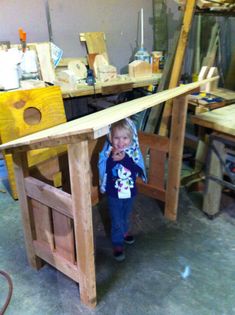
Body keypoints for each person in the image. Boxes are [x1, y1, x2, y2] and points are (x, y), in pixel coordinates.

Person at [98, 118, 147, 261]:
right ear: (110, 137)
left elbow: (137, 170)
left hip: (130, 193)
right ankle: (117, 243)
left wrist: (125, 159)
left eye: (125, 138)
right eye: (116, 138)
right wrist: (113, 159)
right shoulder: (108, 153)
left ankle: (125, 232)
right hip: (114, 194)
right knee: (116, 219)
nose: (121, 142)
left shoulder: (133, 152)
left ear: (132, 138)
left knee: (126, 214)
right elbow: (104, 170)